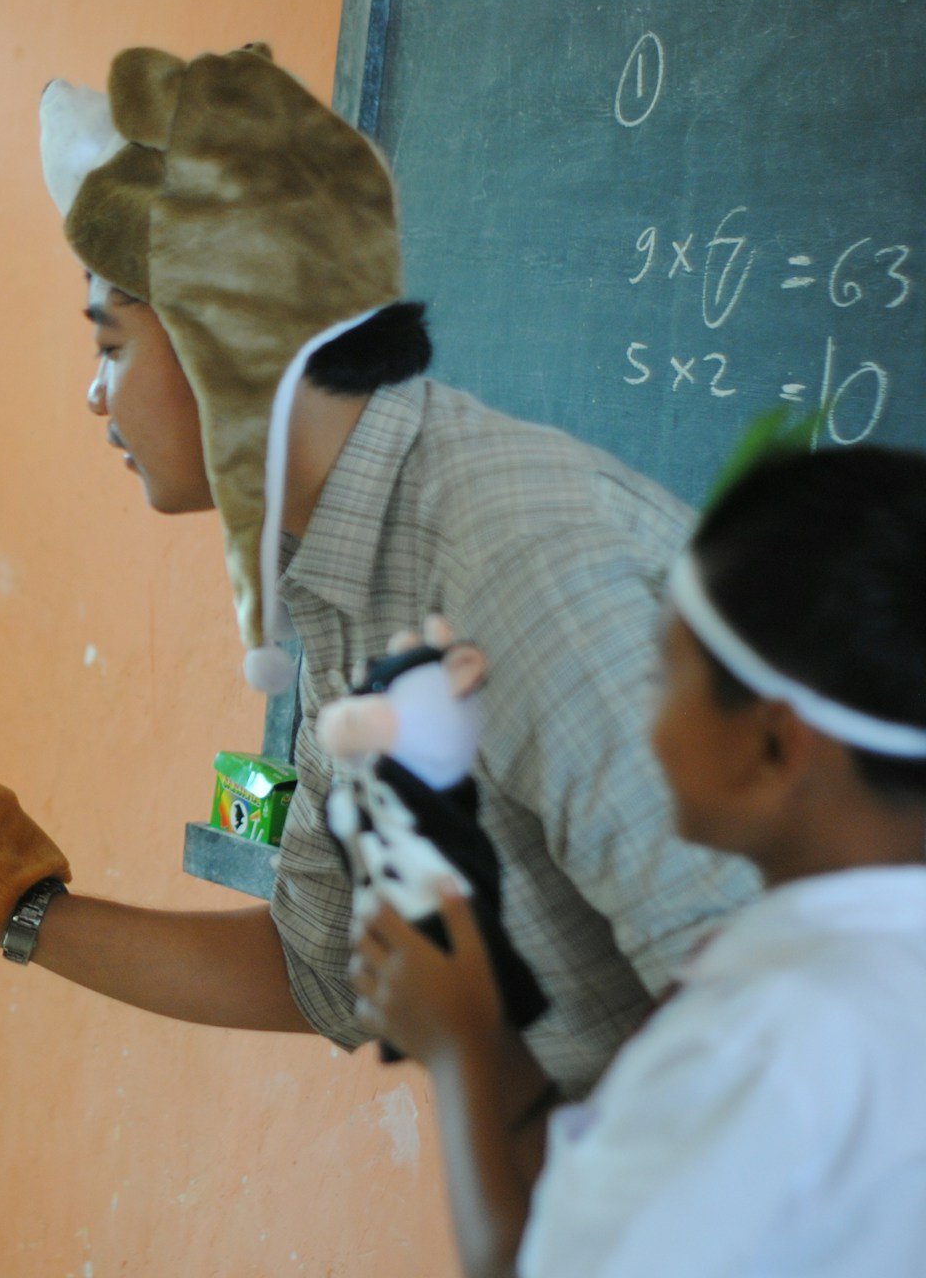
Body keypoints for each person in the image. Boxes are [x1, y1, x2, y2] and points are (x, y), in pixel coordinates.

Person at [0, 42, 753, 1101]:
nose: (94, 398)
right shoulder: (340, 569)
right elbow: (327, 972)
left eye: (110, 344)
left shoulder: (509, 567)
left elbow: (776, 1031)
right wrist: (8, 900)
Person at [351, 446, 926, 1278]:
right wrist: (480, 993)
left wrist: (462, 1050)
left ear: (772, 744)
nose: (645, 713)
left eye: (665, 674)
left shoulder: (765, 1036)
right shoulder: (845, 969)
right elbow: (598, 1185)